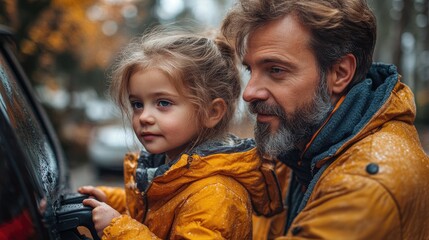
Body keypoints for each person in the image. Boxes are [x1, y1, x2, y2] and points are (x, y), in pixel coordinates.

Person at [221, 0, 429, 239]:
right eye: (250, 70)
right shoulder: (297, 147)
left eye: (276, 70)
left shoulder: (368, 187)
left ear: (339, 73)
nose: (249, 92)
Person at [78, 27, 282, 239]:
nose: (144, 116)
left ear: (212, 112)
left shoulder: (215, 195)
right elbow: (160, 205)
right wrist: (110, 201)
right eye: (137, 104)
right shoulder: (172, 170)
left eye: (163, 103)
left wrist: (118, 229)